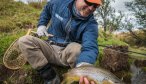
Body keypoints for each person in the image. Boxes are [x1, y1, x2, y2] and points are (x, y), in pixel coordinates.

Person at [18, 0, 101, 84]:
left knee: (78, 49)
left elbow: (90, 46)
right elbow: (47, 9)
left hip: (67, 54)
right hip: (49, 46)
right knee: (24, 41)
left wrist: (84, 65)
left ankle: (74, 77)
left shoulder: (91, 24)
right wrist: (42, 25)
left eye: (95, 6)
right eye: (89, 3)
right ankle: (50, 77)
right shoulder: (59, 2)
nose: (91, 8)